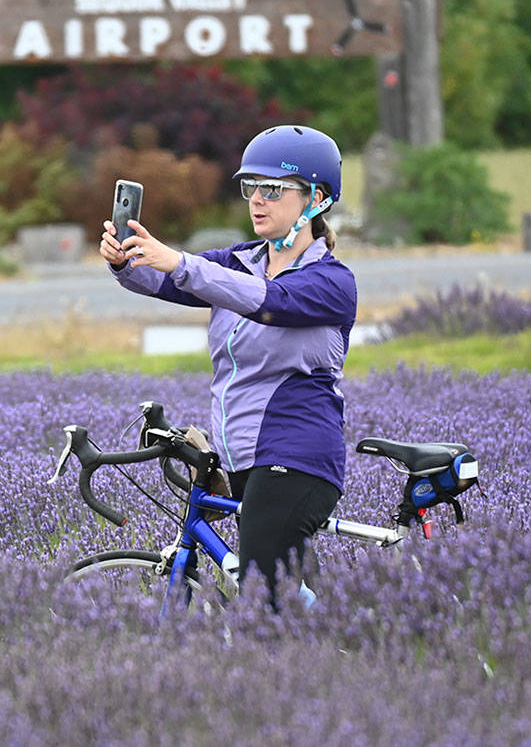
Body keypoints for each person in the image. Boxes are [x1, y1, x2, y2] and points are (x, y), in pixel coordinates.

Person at [100, 124, 357, 611]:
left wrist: (180, 263)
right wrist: (125, 262)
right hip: (242, 455)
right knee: (291, 598)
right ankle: (352, 652)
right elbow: (165, 282)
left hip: (296, 454)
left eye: (273, 190)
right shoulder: (238, 263)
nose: (257, 200)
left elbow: (268, 302)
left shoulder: (331, 281)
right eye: (250, 188)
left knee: (260, 595)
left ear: (317, 198)